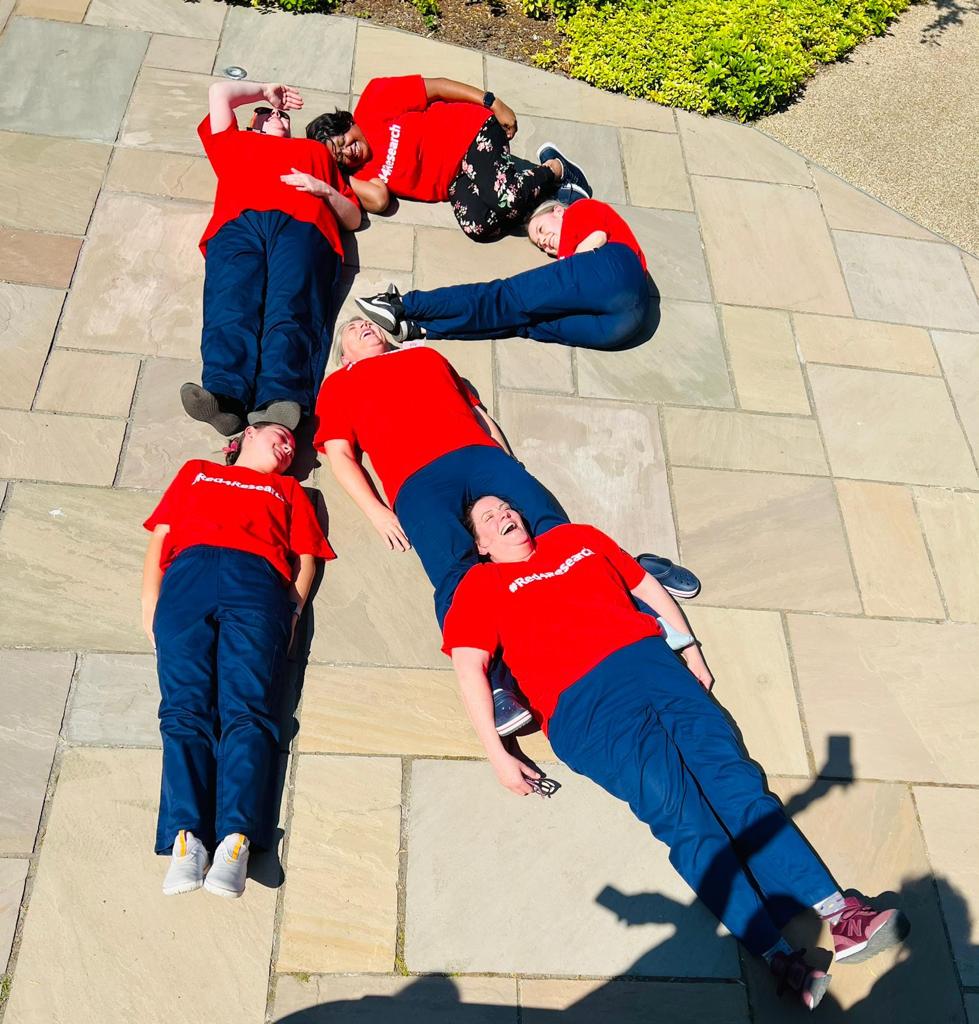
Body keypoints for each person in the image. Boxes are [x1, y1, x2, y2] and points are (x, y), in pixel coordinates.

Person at [442, 496, 909, 1011]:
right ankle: (777, 956)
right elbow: (469, 670)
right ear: (481, 545)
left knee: (740, 789)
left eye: (506, 507)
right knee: (684, 818)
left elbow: (646, 587)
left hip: (657, 671)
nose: (504, 515)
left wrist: (691, 649)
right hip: (588, 711)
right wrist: (498, 754)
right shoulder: (480, 587)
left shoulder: (578, 540)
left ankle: (840, 914)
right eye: (488, 518)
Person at [312, 319, 699, 734]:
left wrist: (508, 462)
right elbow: (340, 455)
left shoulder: (425, 357)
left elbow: (480, 415)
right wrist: (376, 511)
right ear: (344, 355)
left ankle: (638, 597)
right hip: (417, 481)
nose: (365, 325)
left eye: (368, 322)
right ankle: (498, 687)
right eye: (353, 328)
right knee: (456, 576)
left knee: (553, 535)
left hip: (480, 456)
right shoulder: (338, 386)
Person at [141, 423, 336, 898]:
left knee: (248, 709)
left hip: (257, 585)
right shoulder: (198, 472)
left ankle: (236, 838)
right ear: (247, 435)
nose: (289, 444)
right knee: (183, 709)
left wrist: (292, 610)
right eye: (278, 434)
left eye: (294, 445)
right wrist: (152, 608)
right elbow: (159, 542)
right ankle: (187, 838)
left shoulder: (291, 490)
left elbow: (306, 558)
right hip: (188, 578)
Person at [181, 79, 361, 437]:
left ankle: (281, 397)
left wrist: (322, 188)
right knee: (230, 302)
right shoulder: (232, 142)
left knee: (291, 305)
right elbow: (220, 92)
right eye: (265, 113)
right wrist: (265, 92)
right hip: (237, 224)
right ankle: (224, 397)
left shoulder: (316, 153)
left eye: (282, 115)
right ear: (251, 122)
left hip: (303, 224)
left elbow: (353, 218)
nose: (276, 115)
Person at [305, 74, 591, 241]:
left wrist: (493, 103)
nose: (348, 151)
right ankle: (538, 194)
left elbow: (437, 87)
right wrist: (340, 174)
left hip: (470, 132)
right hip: (454, 178)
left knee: (504, 197)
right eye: (339, 157)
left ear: (346, 124)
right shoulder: (360, 175)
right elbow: (380, 200)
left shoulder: (375, 100)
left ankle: (555, 170)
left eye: (343, 142)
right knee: (479, 227)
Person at [353, 197, 650, 351]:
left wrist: (567, 265)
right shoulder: (568, 254)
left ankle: (402, 304)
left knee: (503, 298)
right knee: (525, 324)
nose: (544, 242)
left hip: (617, 270)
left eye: (541, 230)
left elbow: (597, 238)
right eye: (541, 244)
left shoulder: (580, 210)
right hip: (623, 326)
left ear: (558, 211)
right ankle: (423, 328)